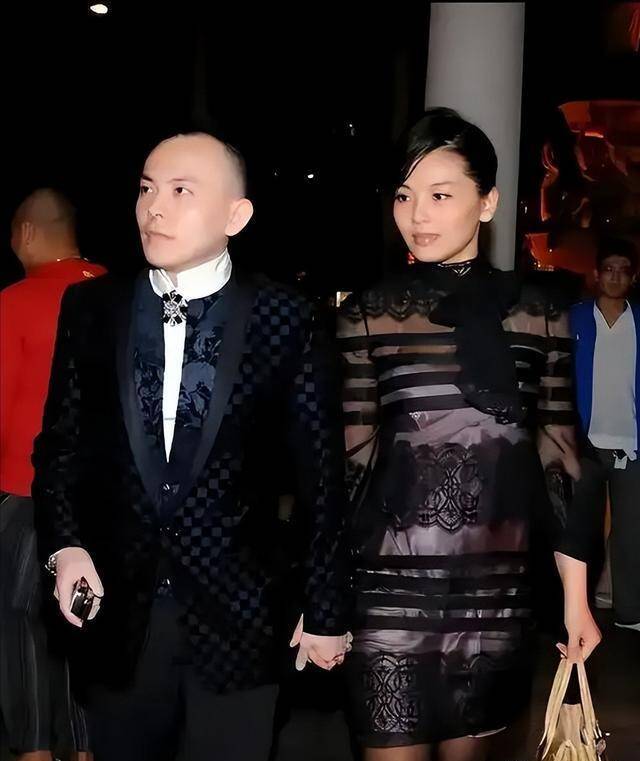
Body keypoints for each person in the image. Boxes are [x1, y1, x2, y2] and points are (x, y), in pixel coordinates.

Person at [32, 132, 352, 761]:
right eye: (146, 189)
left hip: (242, 616)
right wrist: (65, 547)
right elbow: (60, 446)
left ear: (237, 215)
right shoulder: (93, 307)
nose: (154, 208)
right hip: (118, 614)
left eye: (182, 191)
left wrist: (326, 608)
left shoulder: (287, 317)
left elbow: (321, 474)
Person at [337, 108, 601, 761]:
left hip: (494, 593)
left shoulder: (538, 313)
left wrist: (576, 600)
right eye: (405, 195)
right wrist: (321, 598)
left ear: (487, 203)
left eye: (439, 195)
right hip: (389, 589)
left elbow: (562, 458)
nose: (416, 214)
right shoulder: (371, 313)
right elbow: (347, 464)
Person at [0, 188, 105, 759]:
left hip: (25, 493)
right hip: (106, 501)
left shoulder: (15, 301)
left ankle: (35, 750)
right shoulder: (120, 292)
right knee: (87, 629)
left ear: (26, 234)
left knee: (23, 635)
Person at [569, 237, 640, 632]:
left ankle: (630, 613)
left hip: (632, 446)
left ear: (633, 277)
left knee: (632, 533)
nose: (615, 277)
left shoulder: (639, 321)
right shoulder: (575, 319)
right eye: (608, 269)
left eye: (623, 271)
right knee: (581, 533)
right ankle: (578, 610)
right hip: (585, 444)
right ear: (596, 274)